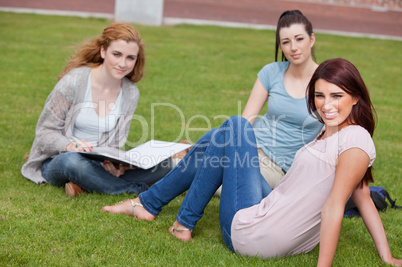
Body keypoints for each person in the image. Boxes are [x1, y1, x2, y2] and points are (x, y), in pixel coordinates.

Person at [101, 58, 401, 266]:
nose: (326, 105)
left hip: (257, 235)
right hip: (270, 209)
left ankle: (170, 214)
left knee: (236, 127)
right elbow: (363, 197)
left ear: (356, 98)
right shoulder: (332, 131)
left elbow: (336, 206)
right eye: (320, 95)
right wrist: (386, 256)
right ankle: (154, 207)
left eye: (337, 95)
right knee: (221, 141)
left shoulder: (356, 140)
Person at [21, 23, 173, 197]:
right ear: (103, 51)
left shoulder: (131, 92)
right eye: (117, 54)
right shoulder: (74, 82)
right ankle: (139, 190)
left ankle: (85, 184)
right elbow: (44, 132)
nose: (123, 63)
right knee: (73, 162)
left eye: (130, 58)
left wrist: (114, 163)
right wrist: (70, 145)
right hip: (60, 159)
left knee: (166, 163)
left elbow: (115, 142)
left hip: (98, 163)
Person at [215, 10, 323, 196]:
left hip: (278, 166)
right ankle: (179, 162)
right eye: (286, 42)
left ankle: (185, 162)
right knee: (201, 169)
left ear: (311, 39)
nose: (293, 48)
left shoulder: (327, 81)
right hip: (249, 146)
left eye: (299, 39)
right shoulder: (271, 72)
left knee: (223, 186)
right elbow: (245, 121)